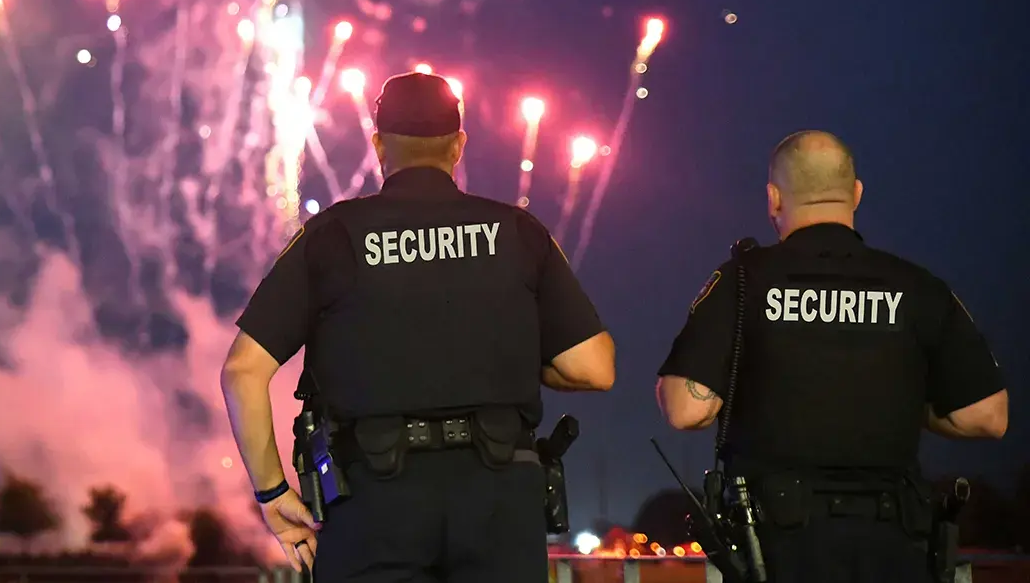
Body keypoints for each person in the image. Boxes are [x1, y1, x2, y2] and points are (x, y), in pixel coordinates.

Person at [220, 71, 617, 582]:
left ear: (379, 144)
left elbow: (242, 372)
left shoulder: (331, 236)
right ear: (459, 145)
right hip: (500, 503)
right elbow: (594, 367)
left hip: (374, 503)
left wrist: (273, 494)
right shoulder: (519, 232)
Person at [656, 130, 1009, 583]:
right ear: (856, 193)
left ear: (773, 198)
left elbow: (686, 410)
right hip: (895, 545)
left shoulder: (742, 282)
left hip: (779, 548)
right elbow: (987, 415)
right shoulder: (919, 286)